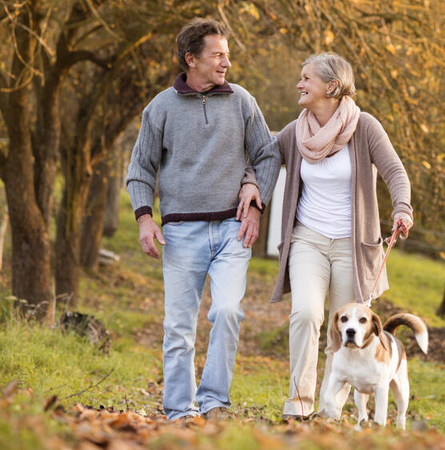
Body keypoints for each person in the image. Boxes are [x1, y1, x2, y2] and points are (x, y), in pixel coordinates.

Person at [125, 18, 280, 422]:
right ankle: (180, 410)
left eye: (227, 55)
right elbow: (140, 168)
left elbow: (268, 154)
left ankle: (214, 402)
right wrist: (145, 219)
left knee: (228, 311)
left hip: (233, 228)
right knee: (178, 327)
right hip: (180, 233)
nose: (226, 62)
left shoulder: (243, 101)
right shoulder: (159, 108)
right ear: (191, 59)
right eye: (218, 55)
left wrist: (257, 197)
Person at [259, 52, 413, 420]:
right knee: (306, 314)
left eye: (306, 78)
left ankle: (330, 409)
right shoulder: (295, 132)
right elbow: (263, 157)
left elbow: (395, 171)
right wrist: (251, 189)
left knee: (343, 333)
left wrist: (402, 207)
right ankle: (299, 403)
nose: (299, 84)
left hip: (353, 246)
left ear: (331, 86)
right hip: (307, 238)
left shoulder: (365, 128)